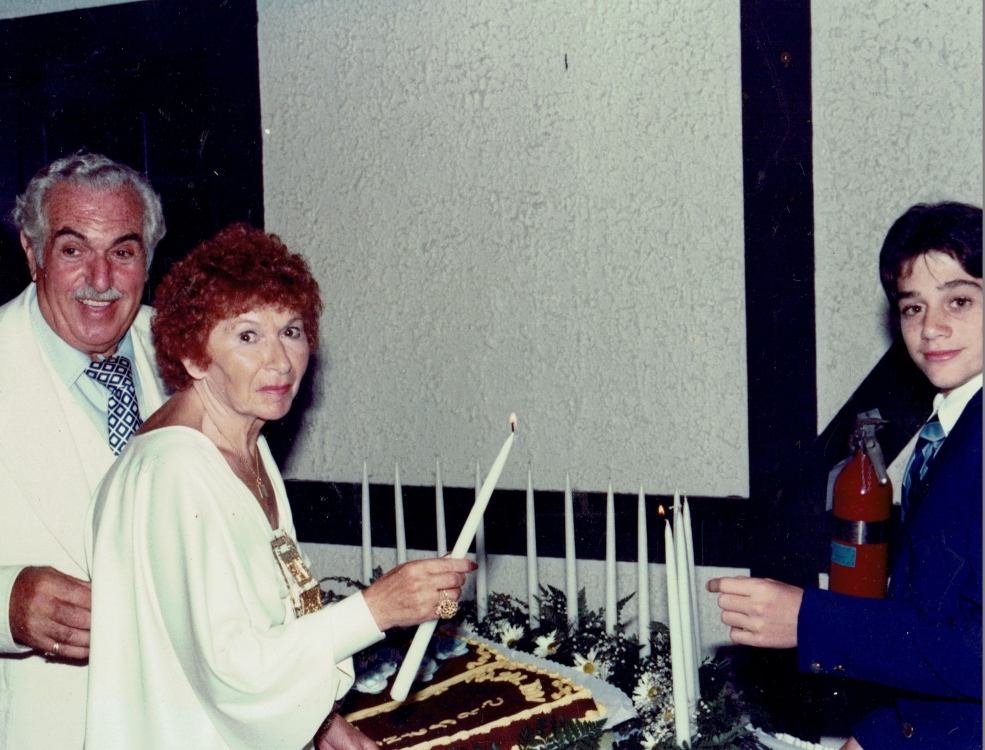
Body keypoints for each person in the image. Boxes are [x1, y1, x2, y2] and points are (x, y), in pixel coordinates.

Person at [84, 223, 475, 750]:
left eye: (291, 331)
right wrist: (377, 608)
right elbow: (232, 670)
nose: (280, 360)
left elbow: (276, 611)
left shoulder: (246, 441)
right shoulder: (175, 470)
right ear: (194, 355)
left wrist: (321, 721)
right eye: (248, 336)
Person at [709, 202, 982, 750]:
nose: (931, 328)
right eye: (912, 307)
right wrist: (880, 733)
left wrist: (809, 620)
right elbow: (935, 618)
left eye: (959, 300)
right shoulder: (954, 427)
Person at [0, 152, 169, 750]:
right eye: (73, 250)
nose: (101, 280)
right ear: (33, 253)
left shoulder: (196, 351)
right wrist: (7, 603)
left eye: (123, 252)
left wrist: (312, 706)